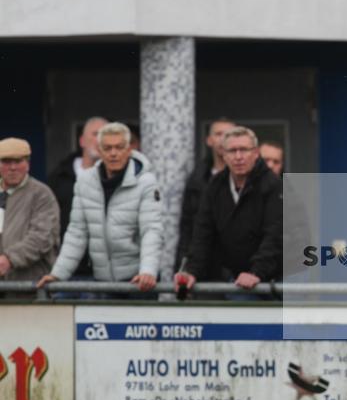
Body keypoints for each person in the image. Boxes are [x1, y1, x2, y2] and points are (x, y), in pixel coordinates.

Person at [38, 122, 163, 295]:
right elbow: (77, 233)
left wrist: (148, 271)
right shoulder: (85, 182)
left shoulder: (146, 182)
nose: (113, 153)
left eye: (119, 147)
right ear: (99, 150)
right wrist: (58, 274)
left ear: (129, 150)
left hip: (139, 281)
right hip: (102, 282)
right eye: (107, 148)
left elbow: (151, 230)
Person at [176, 126, 282, 294]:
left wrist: (256, 272)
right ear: (223, 155)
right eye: (232, 151)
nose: (238, 157)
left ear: (256, 153)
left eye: (244, 150)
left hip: (277, 273)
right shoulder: (215, 185)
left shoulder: (273, 185)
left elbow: (275, 234)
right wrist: (191, 271)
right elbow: (202, 232)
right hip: (236, 274)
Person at [47, 115, 108, 280]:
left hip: (106, 271)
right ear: (82, 141)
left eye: (104, 134)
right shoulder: (59, 178)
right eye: (95, 134)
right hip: (67, 268)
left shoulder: (117, 179)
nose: (99, 140)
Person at [176, 117, 236, 268]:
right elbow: (187, 226)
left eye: (229, 134)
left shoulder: (247, 178)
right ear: (209, 140)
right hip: (203, 262)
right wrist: (182, 264)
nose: (223, 139)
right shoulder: (197, 179)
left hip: (238, 263)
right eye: (219, 134)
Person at [0, 138, 60, 282]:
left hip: (31, 285)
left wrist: (10, 259)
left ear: (28, 164)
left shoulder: (41, 194)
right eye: (6, 161)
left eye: (18, 161)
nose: (12, 167)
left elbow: (42, 237)